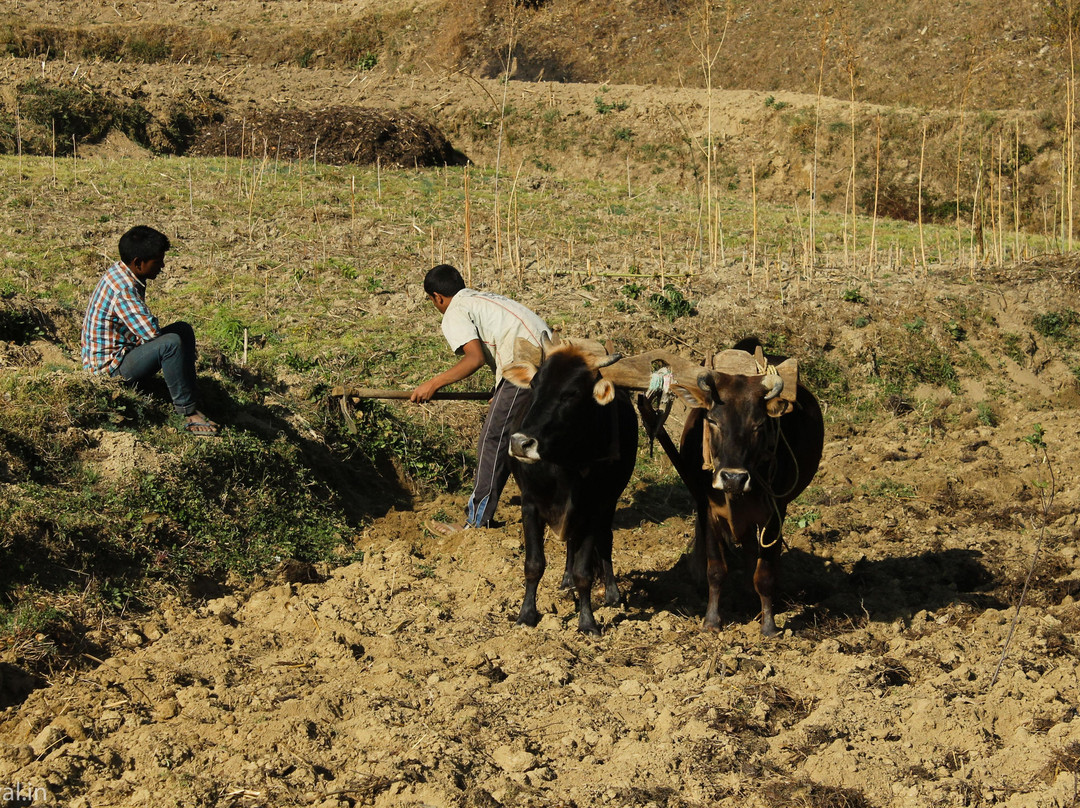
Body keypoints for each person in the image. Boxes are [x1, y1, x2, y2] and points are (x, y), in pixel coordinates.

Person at [410, 264, 550, 534]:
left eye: (433, 302)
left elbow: (473, 358)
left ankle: (475, 522)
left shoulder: (455, 311)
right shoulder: (482, 299)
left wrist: (433, 383)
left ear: (437, 297)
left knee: (492, 440)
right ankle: (549, 504)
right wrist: (500, 390)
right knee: (525, 439)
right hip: (550, 363)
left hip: (525, 367)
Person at [81, 225, 218, 437]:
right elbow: (151, 333)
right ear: (138, 263)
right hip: (109, 370)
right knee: (172, 344)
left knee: (183, 330)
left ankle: (190, 395)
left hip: (121, 353)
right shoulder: (123, 290)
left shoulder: (122, 271)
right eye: (157, 261)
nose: (162, 266)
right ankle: (187, 412)